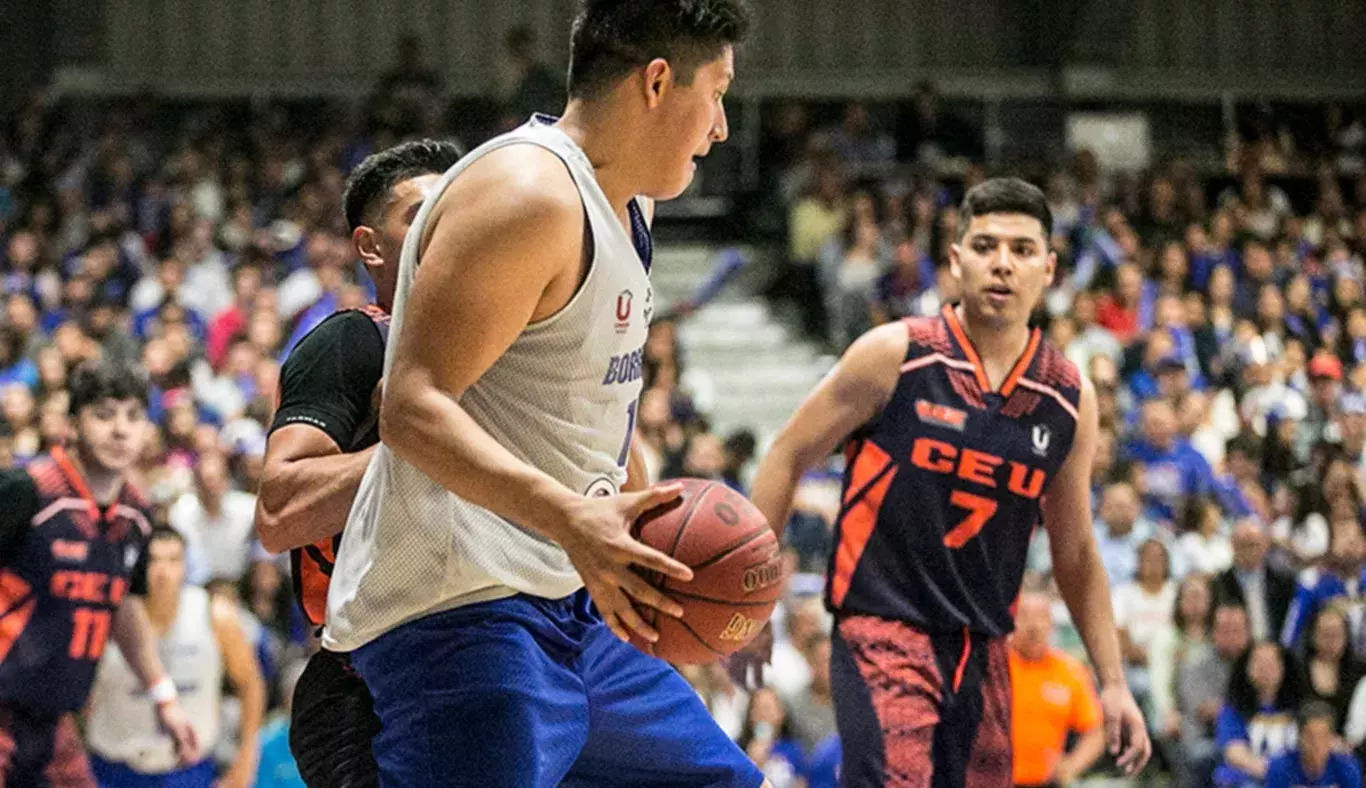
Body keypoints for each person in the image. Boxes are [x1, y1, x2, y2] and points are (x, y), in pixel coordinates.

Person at [322, 3, 766, 787]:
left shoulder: (627, 201)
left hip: (562, 599)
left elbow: (577, 406)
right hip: (460, 611)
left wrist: (648, 550)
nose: (723, 127)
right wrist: (574, 519)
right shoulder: (528, 194)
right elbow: (411, 408)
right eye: (719, 93)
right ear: (657, 83)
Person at [751, 177, 1150, 787]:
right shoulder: (896, 354)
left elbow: (1074, 551)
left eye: (1021, 250)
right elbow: (786, 454)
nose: (1002, 264)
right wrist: (751, 600)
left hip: (986, 649)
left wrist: (1114, 683)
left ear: (1049, 269)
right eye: (986, 246)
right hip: (883, 630)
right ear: (956, 260)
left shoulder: (1069, 396)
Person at [254, 138, 464, 786]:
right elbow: (280, 510)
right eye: (419, 214)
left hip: (501, 656)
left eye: (455, 211)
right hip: (368, 681)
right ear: (372, 246)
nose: (444, 228)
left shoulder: (515, 349)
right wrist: (417, 439)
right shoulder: (353, 340)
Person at [0, 360, 198, 784]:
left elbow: (123, 607)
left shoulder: (138, 516)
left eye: (133, 416)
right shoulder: (26, 491)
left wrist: (165, 699)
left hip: (57, 725)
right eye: (103, 415)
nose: (120, 430)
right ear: (73, 424)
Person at [85, 527, 266, 787]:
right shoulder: (108, 615)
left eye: (172, 560)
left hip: (189, 771)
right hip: (113, 768)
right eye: (153, 560)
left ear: (186, 565)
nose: (162, 571)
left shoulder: (214, 615)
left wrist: (246, 760)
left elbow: (250, 684)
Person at [1008, 592, 1105, 788]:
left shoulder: (1069, 671)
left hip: (1047, 781)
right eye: (1024, 616)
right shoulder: (993, 668)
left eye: (1041, 617)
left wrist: (1072, 765)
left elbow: (1096, 731)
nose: (1033, 626)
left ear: (1052, 625)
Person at [1214, 641, 1302, 787]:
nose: (1265, 670)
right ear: (1246, 668)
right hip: (1248, 778)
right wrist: (1274, 775)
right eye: (1258, 663)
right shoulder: (1233, 710)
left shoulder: (1300, 708)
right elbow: (1235, 754)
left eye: (1271, 664)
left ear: (1284, 668)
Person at [1264, 702, 1361, 788]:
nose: (1316, 744)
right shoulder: (1279, 768)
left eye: (1323, 737)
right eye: (1310, 737)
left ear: (1332, 739)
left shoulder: (1347, 768)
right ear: (1299, 737)